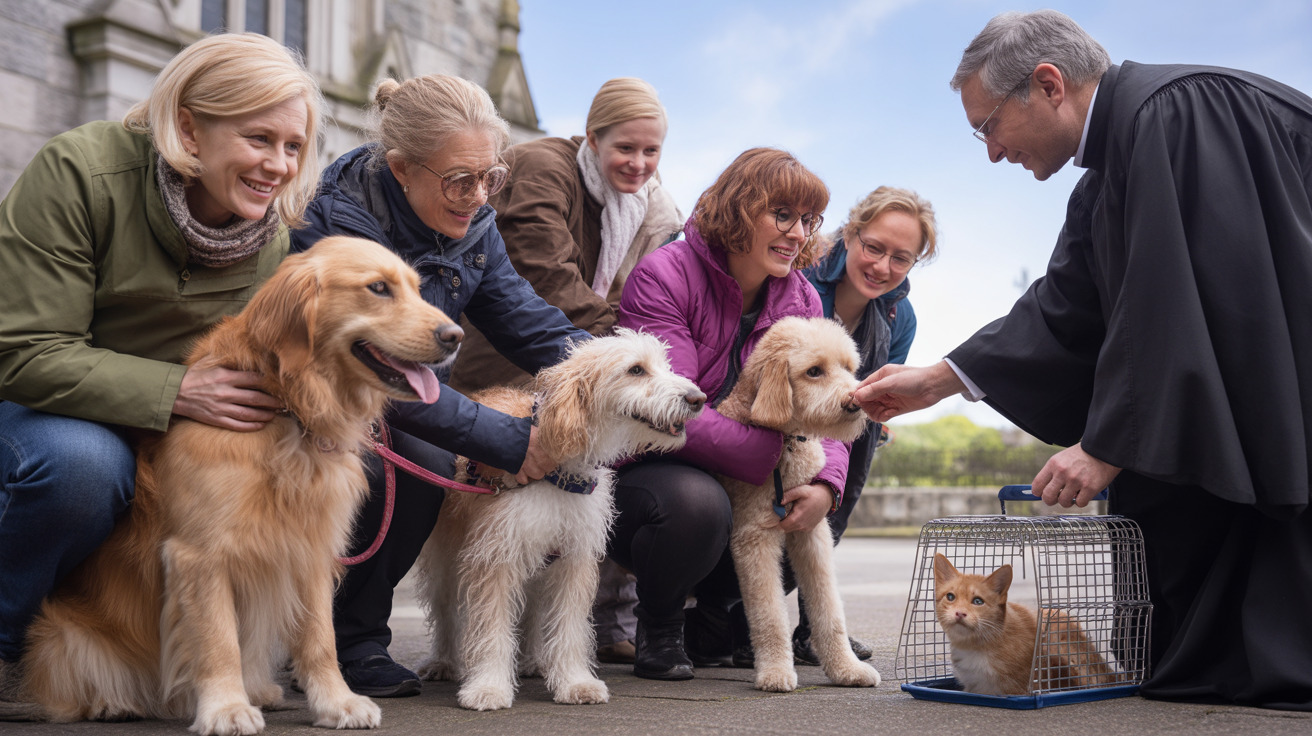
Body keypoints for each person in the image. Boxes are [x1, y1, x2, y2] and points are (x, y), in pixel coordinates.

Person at [854, 9, 1312, 711]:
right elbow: (1067, 306)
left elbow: (1175, 301)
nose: (991, 152)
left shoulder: (1177, 115)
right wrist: (938, 381)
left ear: (1047, 85)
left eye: (988, 126)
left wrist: (1105, 443)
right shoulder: (1109, 171)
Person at [0, 33, 322, 671]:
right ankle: (8, 650)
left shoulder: (270, 238)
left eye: (293, 146)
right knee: (84, 468)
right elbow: (23, 352)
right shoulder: (80, 172)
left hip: (163, 430)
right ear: (189, 129)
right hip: (35, 411)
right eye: (259, 139)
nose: (280, 166)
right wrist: (176, 391)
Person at [290, 74, 592, 698]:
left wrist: (616, 380)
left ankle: (349, 637)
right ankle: (349, 640)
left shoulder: (475, 224)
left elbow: (528, 323)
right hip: (317, 411)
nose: (480, 196)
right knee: (420, 460)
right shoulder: (337, 225)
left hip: (402, 403)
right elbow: (381, 378)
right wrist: (506, 438)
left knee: (428, 452)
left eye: (491, 177)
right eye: (461, 179)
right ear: (401, 168)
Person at [447, 77, 683, 664]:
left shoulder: (650, 210)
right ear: (592, 136)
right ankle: (478, 652)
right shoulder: (542, 165)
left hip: (588, 365)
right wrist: (620, 358)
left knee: (574, 527)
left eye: (651, 151)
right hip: (510, 369)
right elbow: (546, 275)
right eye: (625, 148)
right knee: (493, 540)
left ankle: (568, 646)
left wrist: (632, 366)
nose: (639, 163)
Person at [609, 147, 848, 681]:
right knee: (699, 503)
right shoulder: (664, 275)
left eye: (808, 220)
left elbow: (824, 406)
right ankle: (661, 623)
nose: (798, 233)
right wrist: (768, 454)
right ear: (741, 208)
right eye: (782, 215)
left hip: (748, 470)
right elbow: (673, 407)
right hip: (653, 464)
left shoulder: (803, 296)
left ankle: (718, 616)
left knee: (819, 479)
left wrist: (827, 483)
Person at [793, 186, 937, 663]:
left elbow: (886, 386)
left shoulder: (902, 316)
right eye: (874, 247)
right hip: (791, 414)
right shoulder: (803, 281)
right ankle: (733, 618)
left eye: (901, 258)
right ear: (851, 234)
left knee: (832, 517)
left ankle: (815, 628)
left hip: (854, 423)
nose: (882, 267)